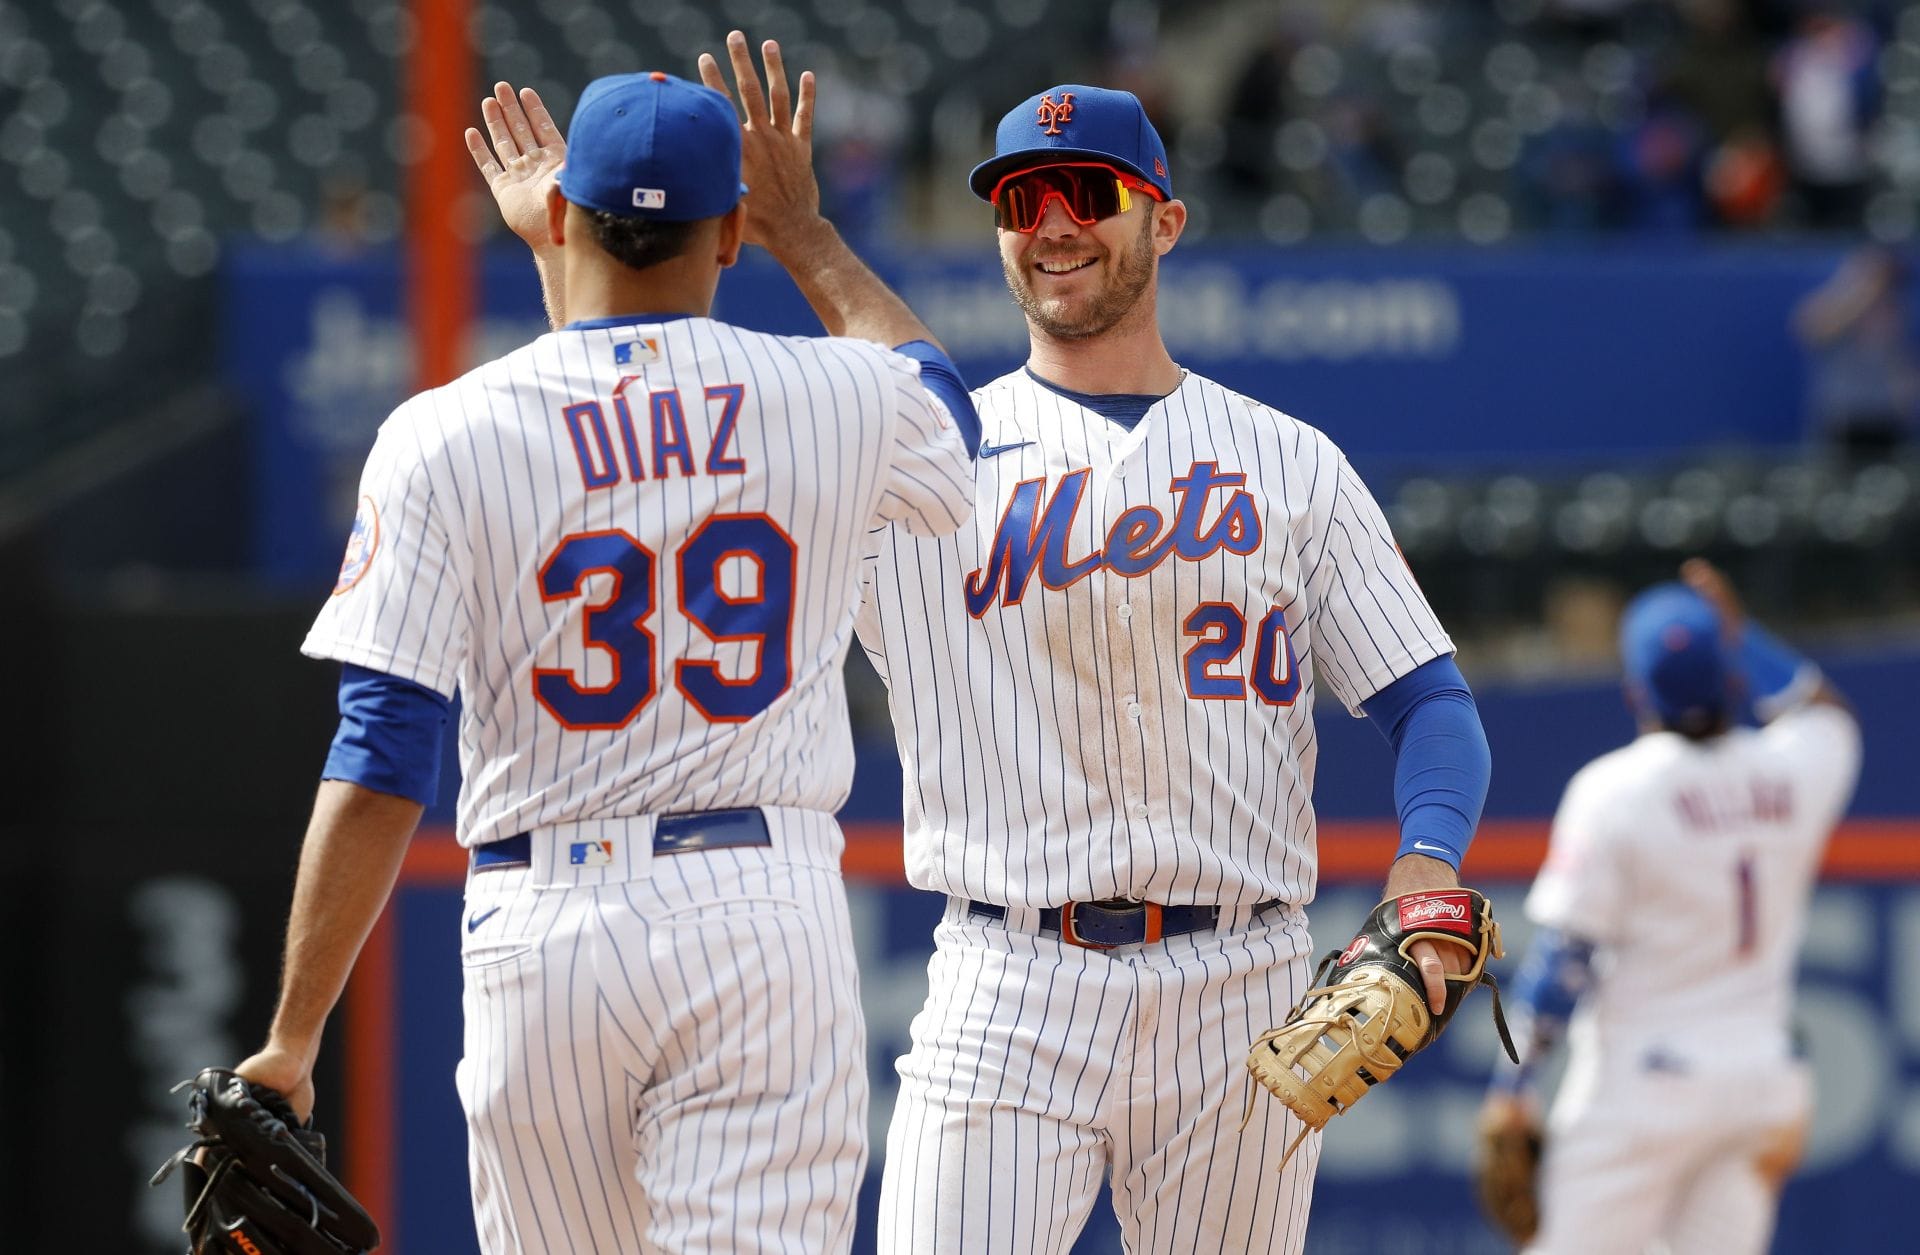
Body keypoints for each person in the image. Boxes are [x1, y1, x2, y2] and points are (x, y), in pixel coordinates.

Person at [482, 52, 1495, 1253]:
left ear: (1163, 219)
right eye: (1023, 200)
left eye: (1088, 192)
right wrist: (571, 259)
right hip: (1007, 981)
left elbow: (1430, 700)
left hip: (1243, 977)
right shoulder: (915, 459)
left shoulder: (1291, 461)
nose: (1054, 224)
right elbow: (629, 440)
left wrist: (1424, 863)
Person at [230, 59, 978, 1254]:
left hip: (542, 928)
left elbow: (384, 752)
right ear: (730, 229)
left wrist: (294, 1034)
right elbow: (949, 413)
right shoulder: (835, 394)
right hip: (755, 908)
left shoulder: (444, 431)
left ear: (563, 212)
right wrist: (810, 233)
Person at [1478, 559, 1860, 1255]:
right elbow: (1825, 711)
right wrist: (1740, 633)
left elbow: (1567, 961)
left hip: (1646, 1089)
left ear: (1633, 690)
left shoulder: (1616, 790)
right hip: (1761, 1085)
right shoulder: (1795, 767)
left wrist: (1515, 1087)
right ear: (1735, 679)